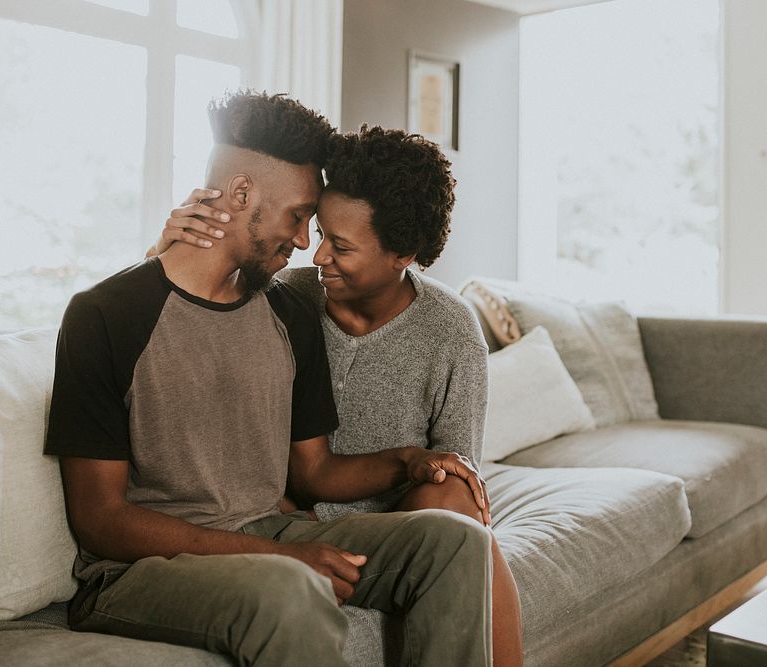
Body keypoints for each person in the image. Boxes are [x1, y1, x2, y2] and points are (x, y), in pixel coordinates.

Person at [45, 90, 494, 667]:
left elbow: (314, 470)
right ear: (240, 194)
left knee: (453, 542)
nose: (307, 242)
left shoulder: (289, 312)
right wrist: (268, 555)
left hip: (269, 534)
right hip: (140, 572)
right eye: (299, 216)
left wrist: (408, 460)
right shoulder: (104, 315)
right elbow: (99, 520)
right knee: (290, 589)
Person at [152, 125, 524, 666]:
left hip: (392, 523)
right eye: (320, 231)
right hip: (284, 519)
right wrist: (163, 249)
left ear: (403, 253)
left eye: (341, 245)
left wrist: (419, 483)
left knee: (455, 500)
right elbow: (183, 317)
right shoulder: (288, 298)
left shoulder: (450, 330)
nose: (317, 254)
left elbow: (456, 476)